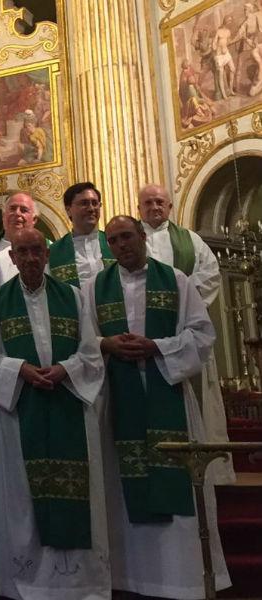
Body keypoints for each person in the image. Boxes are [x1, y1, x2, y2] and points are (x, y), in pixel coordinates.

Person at [82, 216, 231, 598]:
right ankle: (129, 579)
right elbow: (83, 341)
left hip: (168, 393)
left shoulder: (177, 281)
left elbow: (202, 334)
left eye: (127, 236)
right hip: (118, 400)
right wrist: (106, 344)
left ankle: (182, 580)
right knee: (120, 489)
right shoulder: (95, 287)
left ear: (142, 236)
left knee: (176, 487)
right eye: (114, 240)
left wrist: (157, 347)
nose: (121, 245)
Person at [0, 228, 110, 600]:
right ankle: (29, 578)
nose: (31, 258)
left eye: (37, 250)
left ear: (47, 255)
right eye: (23, 251)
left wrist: (66, 370)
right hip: (21, 408)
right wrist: (21, 369)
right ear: (13, 258)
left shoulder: (73, 296)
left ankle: (80, 584)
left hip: (68, 402)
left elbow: (91, 351)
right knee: (22, 493)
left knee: (75, 487)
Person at [138, 184, 235, 485]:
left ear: (170, 207)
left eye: (160, 202)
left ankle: (208, 474)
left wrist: (177, 299)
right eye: (148, 202)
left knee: (197, 404)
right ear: (139, 208)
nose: (155, 207)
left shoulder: (190, 240)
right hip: (144, 334)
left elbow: (210, 274)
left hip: (185, 335)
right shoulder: (130, 240)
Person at [48, 182, 115, 287]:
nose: (91, 209)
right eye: (84, 203)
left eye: (95, 203)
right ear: (68, 210)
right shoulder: (53, 253)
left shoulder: (113, 242)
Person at [0, 191, 42, 284]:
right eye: (12, 208)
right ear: (3, 215)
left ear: (34, 220)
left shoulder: (48, 248)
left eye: (24, 210)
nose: (17, 213)